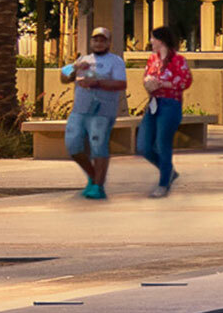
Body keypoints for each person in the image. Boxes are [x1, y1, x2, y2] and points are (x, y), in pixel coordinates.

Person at [61, 29, 130, 200]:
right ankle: (93, 176)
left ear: (108, 43)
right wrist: (74, 68)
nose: (98, 43)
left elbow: (121, 84)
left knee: (98, 146)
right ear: (91, 42)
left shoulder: (115, 61)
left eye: (102, 40)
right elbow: (64, 78)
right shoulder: (83, 60)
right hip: (80, 110)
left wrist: (97, 82)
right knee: (73, 146)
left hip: (102, 111)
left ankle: (98, 186)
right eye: (95, 40)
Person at [136, 28, 194, 197]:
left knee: (163, 143)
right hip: (154, 104)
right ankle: (168, 170)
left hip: (170, 104)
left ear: (161, 40)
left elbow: (185, 81)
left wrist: (162, 84)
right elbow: (146, 77)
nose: (151, 42)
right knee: (143, 146)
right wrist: (148, 83)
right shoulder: (152, 59)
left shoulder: (178, 60)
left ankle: (163, 183)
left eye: (153, 38)